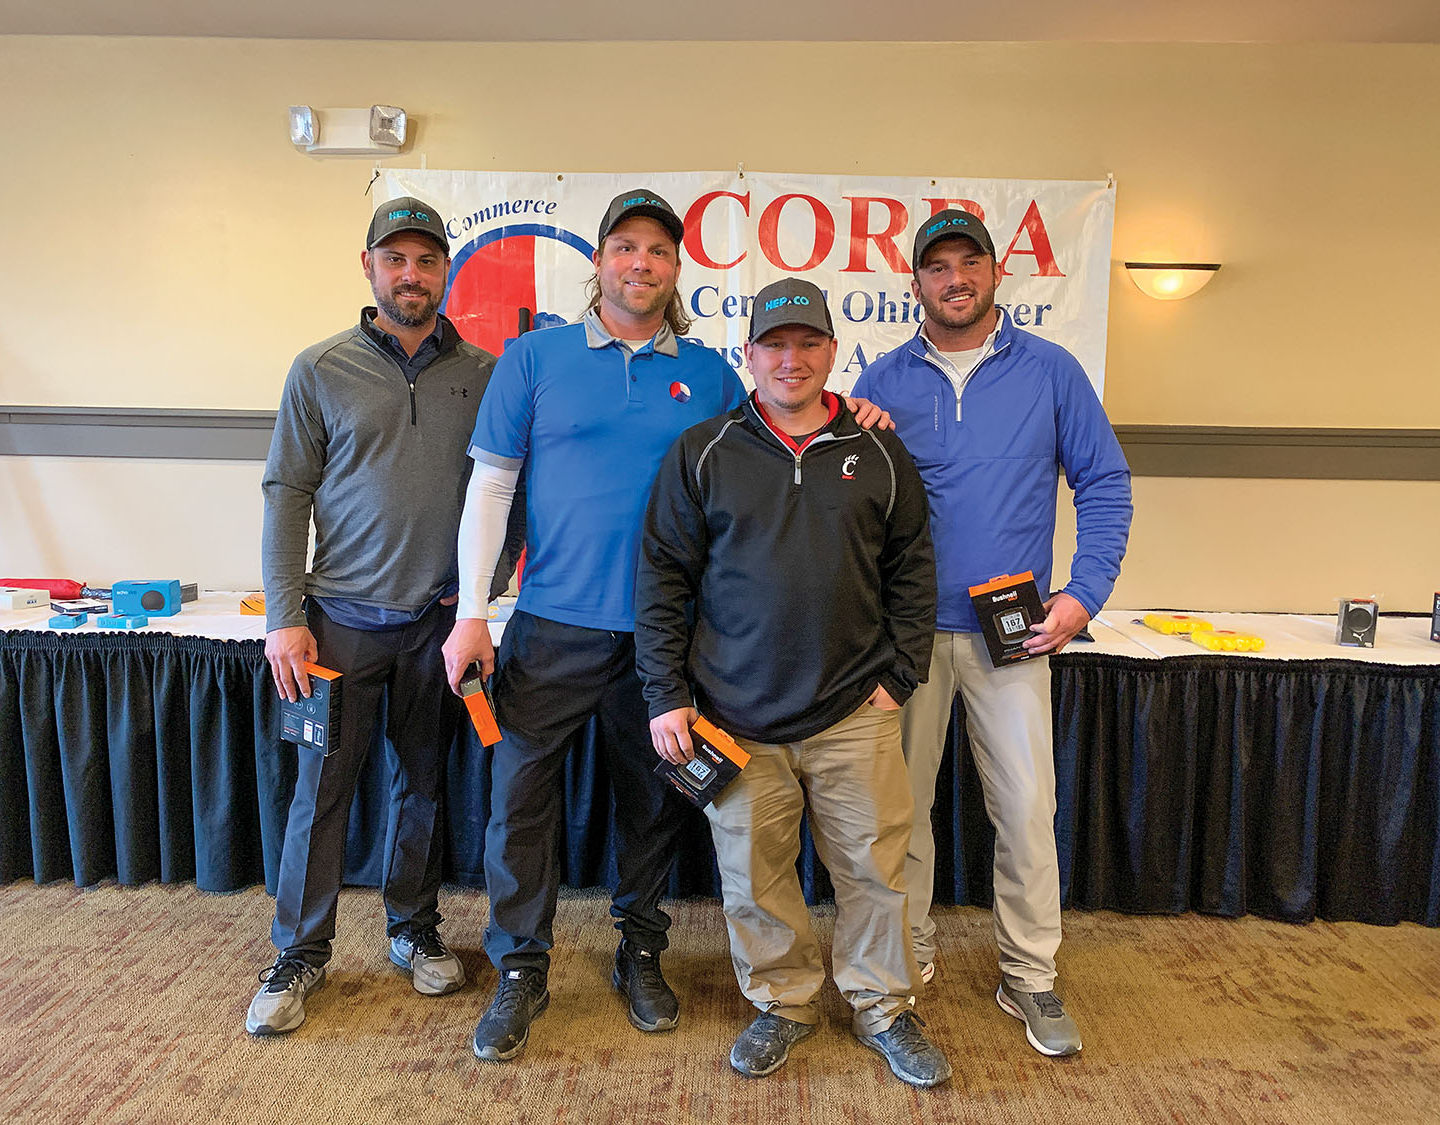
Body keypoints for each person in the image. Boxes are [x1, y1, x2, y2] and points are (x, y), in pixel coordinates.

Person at [442, 190, 891, 1062]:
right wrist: (471, 613)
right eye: (624, 247)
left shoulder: (717, 377)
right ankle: (520, 968)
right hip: (548, 627)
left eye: (657, 250)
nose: (640, 263)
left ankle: (640, 950)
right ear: (599, 262)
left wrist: (859, 413)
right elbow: (490, 489)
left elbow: (789, 435)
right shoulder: (533, 359)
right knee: (519, 804)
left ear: (676, 268)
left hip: (667, 643)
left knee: (652, 805)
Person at [635, 279, 950, 1089]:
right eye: (774, 344)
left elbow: (914, 567)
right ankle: (784, 1001)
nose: (791, 358)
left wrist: (899, 676)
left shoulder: (877, 450)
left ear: (832, 354)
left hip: (854, 711)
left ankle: (882, 1006)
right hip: (735, 718)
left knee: (877, 871)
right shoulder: (704, 449)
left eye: (808, 343)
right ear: (749, 356)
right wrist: (667, 692)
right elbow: (663, 578)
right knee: (754, 878)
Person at [851, 209, 1133, 1058]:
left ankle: (1031, 975)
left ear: (997, 273)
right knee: (901, 812)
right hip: (904, 635)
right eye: (937, 266)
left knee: (1026, 805)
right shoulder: (884, 379)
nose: (955, 278)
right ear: (916, 284)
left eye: (969, 261)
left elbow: (1106, 484)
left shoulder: (1051, 372)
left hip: (1013, 632)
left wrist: (1082, 596)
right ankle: (909, 957)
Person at [247, 196, 518, 1036]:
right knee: (320, 792)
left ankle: (412, 928)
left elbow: (510, 489)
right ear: (367, 266)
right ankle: (300, 952)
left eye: (426, 260)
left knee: (422, 785)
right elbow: (286, 493)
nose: (411, 274)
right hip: (335, 627)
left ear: (445, 271)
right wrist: (285, 614)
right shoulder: (319, 368)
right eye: (394, 258)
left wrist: (488, 586)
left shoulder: (482, 371)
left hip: (435, 628)